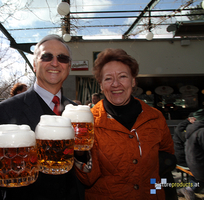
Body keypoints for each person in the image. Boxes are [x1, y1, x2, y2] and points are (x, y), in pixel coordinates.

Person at [75, 48, 175, 200]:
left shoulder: (155, 117)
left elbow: (167, 158)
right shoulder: (88, 122)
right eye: (108, 79)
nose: (116, 84)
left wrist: (155, 191)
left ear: (133, 80)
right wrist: (79, 154)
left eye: (123, 76)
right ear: (101, 85)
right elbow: (87, 179)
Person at [0, 34, 84, 200]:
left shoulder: (77, 112)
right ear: (34, 65)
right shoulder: (7, 110)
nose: (55, 63)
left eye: (62, 58)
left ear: (69, 67)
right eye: (47, 56)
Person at [180, 109, 204, 200]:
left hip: (193, 163)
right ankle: (189, 189)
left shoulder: (192, 129)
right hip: (199, 166)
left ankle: (189, 189)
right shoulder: (201, 131)